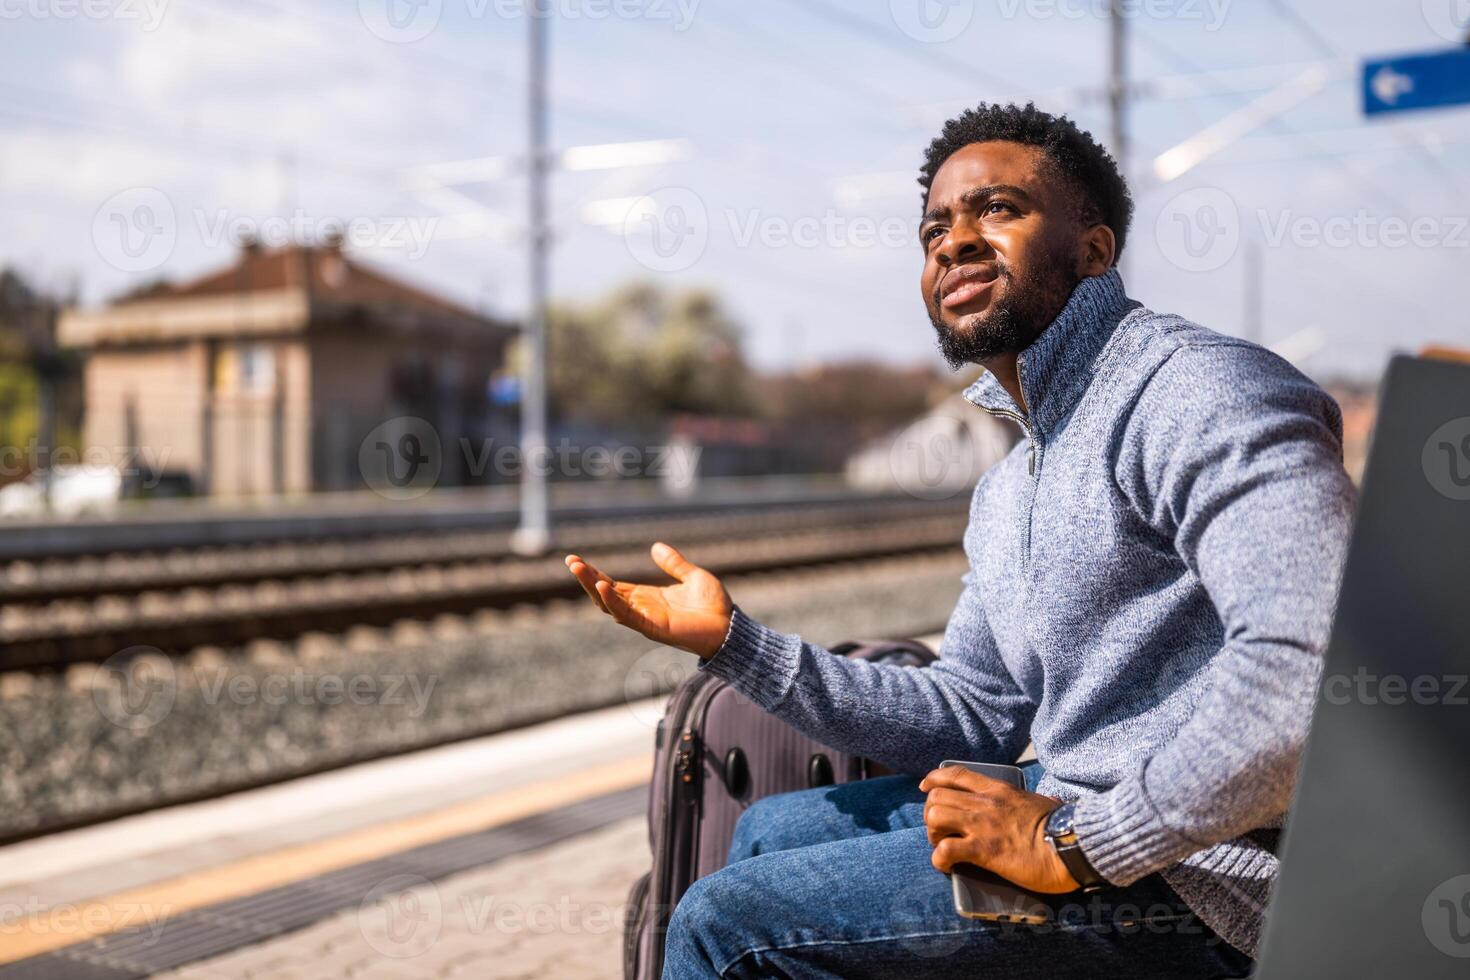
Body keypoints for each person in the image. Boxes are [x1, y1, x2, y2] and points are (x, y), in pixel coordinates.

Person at [565, 102, 1355, 979]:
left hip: (1211, 884)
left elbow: (1313, 662)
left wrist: (1077, 843)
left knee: (726, 926)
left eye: (999, 210)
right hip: (1081, 820)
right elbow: (974, 710)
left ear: (1094, 251)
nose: (954, 241)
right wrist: (734, 644)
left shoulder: (1196, 390)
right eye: (935, 227)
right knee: (771, 828)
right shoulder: (1014, 481)